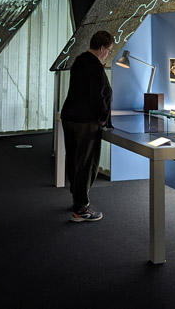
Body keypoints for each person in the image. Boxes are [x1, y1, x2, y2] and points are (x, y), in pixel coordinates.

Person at [60, 30, 114, 222]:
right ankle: (81, 208)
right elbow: (98, 96)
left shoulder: (79, 61)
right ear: (102, 48)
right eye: (108, 50)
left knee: (73, 158)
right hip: (85, 121)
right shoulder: (96, 68)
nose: (108, 54)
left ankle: (77, 199)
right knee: (86, 163)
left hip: (68, 117)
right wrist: (102, 118)